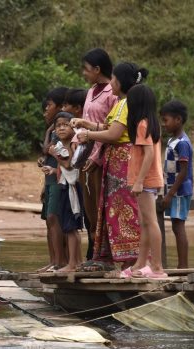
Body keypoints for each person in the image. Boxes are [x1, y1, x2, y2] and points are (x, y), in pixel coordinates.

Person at [75, 62, 148, 272]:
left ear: (121, 82)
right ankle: (106, 257)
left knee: (123, 209)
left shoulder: (126, 104)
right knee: (108, 209)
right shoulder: (120, 104)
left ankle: (130, 259)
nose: (111, 83)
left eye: (114, 79)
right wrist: (89, 125)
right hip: (114, 161)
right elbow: (108, 127)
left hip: (122, 161)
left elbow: (114, 134)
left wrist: (88, 134)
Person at [76, 48, 118, 263]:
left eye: (86, 69)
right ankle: (94, 255)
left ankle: (105, 257)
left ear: (97, 69)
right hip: (86, 156)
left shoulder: (112, 92)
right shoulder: (92, 90)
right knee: (89, 209)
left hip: (102, 158)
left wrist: (96, 157)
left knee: (103, 207)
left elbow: (112, 129)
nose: (84, 73)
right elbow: (85, 121)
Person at [123, 84, 166, 278]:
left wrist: (139, 181)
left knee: (150, 221)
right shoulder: (150, 123)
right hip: (149, 179)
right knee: (144, 222)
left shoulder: (142, 124)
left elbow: (148, 155)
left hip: (146, 180)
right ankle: (141, 263)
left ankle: (156, 266)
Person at [37, 87, 68, 272]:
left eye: (48, 106)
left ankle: (60, 261)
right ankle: (54, 260)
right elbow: (46, 151)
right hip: (49, 180)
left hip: (58, 179)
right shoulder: (52, 129)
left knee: (54, 217)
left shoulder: (62, 130)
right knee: (49, 220)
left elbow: (58, 153)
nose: (45, 111)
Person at [160, 100, 193, 269]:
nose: (163, 124)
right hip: (173, 189)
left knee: (178, 226)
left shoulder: (183, 143)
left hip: (179, 191)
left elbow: (183, 171)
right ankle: (182, 265)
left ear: (178, 119)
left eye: (166, 120)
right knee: (175, 225)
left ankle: (183, 267)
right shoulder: (173, 140)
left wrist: (170, 194)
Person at [50, 112, 83, 272]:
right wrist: (52, 169)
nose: (62, 128)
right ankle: (75, 262)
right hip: (64, 186)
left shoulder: (73, 144)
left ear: (72, 126)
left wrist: (54, 156)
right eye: (58, 126)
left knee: (71, 227)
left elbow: (69, 164)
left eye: (65, 124)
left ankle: (72, 264)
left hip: (72, 188)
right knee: (69, 226)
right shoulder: (61, 146)